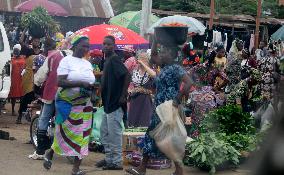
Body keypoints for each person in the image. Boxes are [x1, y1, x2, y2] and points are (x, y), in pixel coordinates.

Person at [126, 39, 192, 175]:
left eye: (166, 52)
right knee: (162, 136)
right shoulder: (164, 67)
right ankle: (177, 170)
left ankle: (143, 168)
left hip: (168, 108)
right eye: (162, 52)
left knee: (157, 135)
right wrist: (155, 38)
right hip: (159, 108)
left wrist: (178, 98)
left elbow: (189, 82)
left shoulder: (175, 68)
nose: (162, 55)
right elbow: (154, 55)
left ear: (173, 55)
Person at [43, 35, 95, 175]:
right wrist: (80, 84)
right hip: (67, 105)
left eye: (87, 46)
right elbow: (59, 82)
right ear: (75, 46)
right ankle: (50, 153)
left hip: (84, 105)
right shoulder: (67, 61)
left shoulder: (87, 63)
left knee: (83, 136)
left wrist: (92, 87)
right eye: (83, 45)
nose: (86, 48)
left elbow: (90, 81)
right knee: (62, 133)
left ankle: (76, 169)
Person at [95, 35, 130, 170]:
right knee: (104, 132)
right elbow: (106, 78)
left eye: (109, 44)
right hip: (108, 103)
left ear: (114, 46)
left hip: (115, 103)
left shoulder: (115, 59)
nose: (106, 46)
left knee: (114, 134)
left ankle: (116, 162)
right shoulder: (107, 60)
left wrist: (123, 95)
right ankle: (109, 158)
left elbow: (127, 75)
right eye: (104, 44)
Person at [28, 38, 64, 160]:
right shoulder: (67, 55)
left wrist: (36, 86)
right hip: (66, 95)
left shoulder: (51, 57)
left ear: (46, 47)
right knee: (61, 120)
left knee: (44, 119)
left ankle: (40, 151)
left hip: (51, 93)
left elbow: (39, 77)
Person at [16, 31, 42, 124]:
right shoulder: (28, 50)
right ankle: (19, 116)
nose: (37, 43)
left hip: (37, 75)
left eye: (38, 41)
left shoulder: (41, 52)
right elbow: (21, 41)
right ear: (32, 42)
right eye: (35, 41)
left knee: (35, 97)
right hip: (28, 76)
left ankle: (31, 116)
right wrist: (24, 31)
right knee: (25, 96)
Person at [128, 51, 156, 127]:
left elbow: (154, 75)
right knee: (133, 124)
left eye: (144, 58)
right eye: (140, 58)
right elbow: (129, 84)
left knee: (144, 123)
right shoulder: (134, 71)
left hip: (145, 101)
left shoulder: (149, 72)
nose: (141, 60)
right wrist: (130, 90)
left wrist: (143, 64)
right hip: (134, 100)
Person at [8, 44, 25, 116]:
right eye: (15, 50)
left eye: (17, 50)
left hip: (21, 79)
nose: (16, 52)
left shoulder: (23, 59)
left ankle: (20, 111)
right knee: (13, 95)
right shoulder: (11, 59)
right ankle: (12, 110)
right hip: (13, 80)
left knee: (22, 96)